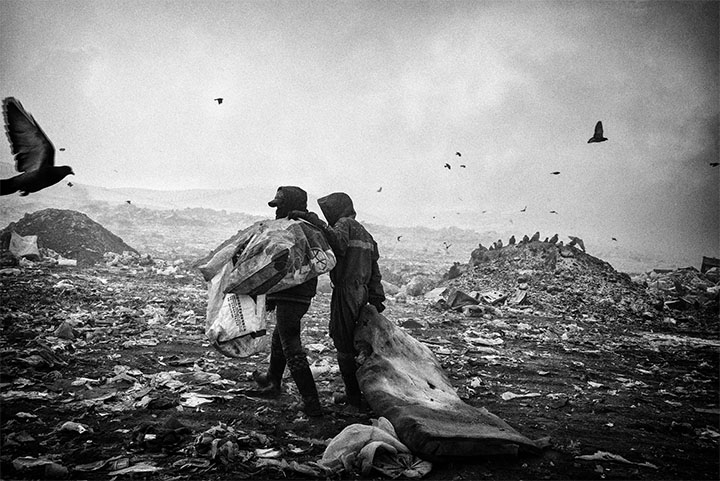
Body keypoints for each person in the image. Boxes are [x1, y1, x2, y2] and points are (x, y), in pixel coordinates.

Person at [291, 192, 385, 410]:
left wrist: (314, 221)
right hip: (361, 292)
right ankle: (359, 393)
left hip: (345, 292)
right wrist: (377, 298)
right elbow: (375, 271)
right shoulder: (366, 234)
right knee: (356, 342)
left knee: (343, 344)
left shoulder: (345, 224)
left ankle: (353, 398)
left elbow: (337, 243)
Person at [252, 186, 323, 417]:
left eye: (280, 205)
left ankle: (311, 401)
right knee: (280, 337)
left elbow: (279, 267)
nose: (276, 211)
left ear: (291, 205)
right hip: (299, 295)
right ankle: (273, 380)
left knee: (291, 344)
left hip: (291, 294)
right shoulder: (309, 229)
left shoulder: (292, 231)